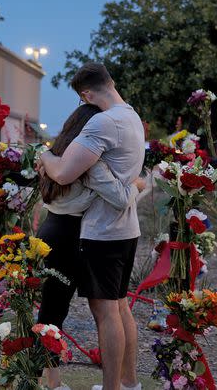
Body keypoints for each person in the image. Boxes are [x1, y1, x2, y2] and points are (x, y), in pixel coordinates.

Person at [38, 62, 145, 390]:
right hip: (93, 231)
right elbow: (112, 189)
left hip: (77, 231)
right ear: (110, 82)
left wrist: (46, 157)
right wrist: (134, 187)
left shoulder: (99, 127)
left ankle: (57, 381)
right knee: (112, 307)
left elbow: (62, 174)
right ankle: (124, 382)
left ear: (85, 95)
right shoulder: (132, 118)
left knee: (59, 308)